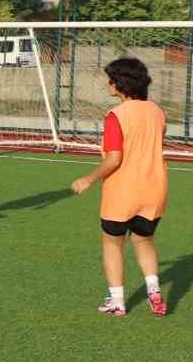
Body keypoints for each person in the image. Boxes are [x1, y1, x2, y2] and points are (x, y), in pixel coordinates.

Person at [69, 57, 168, 317]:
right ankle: (154, 289)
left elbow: (114, 158)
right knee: (144, 240)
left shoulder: (116, 115)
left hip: (123, 191)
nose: (108, 83)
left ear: (121, 83)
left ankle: (117, 301)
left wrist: (88, 179)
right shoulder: (158, 112)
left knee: (113, 244)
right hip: (154, 188)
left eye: (111, 78)